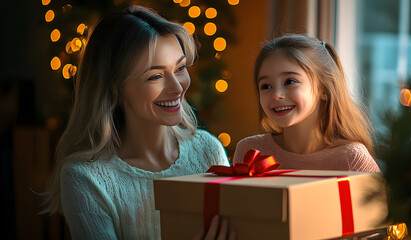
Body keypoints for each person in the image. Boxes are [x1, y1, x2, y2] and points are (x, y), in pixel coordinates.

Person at [42, 5, 231, 239]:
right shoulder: (85, 177)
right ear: (115, 89)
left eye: (180, 68)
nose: (177, 87)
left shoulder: (208, 151)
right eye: (155, 76)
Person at [233, 34, 380, 172]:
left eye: (290, 81)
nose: (276, 95)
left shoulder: (352, 160)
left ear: (324, 88)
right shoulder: (249, 151)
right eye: (266, 86)